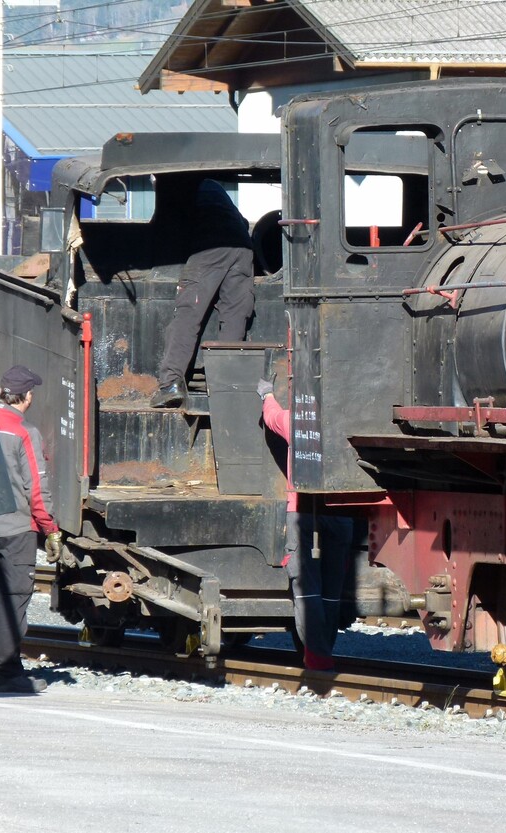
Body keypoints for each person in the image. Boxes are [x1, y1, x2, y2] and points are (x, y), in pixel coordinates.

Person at [0, 365, 62, 694]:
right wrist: (50, 528)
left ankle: (6, 668)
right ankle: (8, 674)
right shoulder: (24, 432)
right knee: (15, 601)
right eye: (32, 393)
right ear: (25, 397)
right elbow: (36, 489)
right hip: (16, 530)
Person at [257, 377, 353, 671]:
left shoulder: (298, 419)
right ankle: (324, 651)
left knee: (306, 587)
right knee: (332, 587)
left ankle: (317, 656)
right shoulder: (347, 421)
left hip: (303, 512)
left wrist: (267, 394)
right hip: (342, 512)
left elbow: (271, 417)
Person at [151, 180, 255, 408]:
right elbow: (243, 222)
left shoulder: (179, 185)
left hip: (211, 246)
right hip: (242, 247)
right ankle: (225, 384)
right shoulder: (214, 188)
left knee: (188, 313)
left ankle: (170, 384)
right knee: (234, 316)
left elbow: (169, 227)